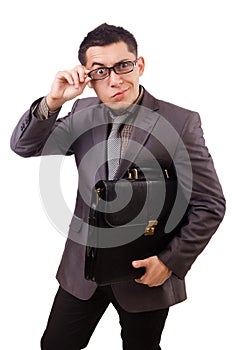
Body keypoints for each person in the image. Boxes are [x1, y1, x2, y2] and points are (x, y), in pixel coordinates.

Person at [10, 23, 225, 350]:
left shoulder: (181, 123)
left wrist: (170, 262)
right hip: (81, 271)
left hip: (145, 272)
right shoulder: (81, 111)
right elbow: (25, 146)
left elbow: (210, 205)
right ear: (87, 76)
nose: (115, 79)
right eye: (100, 71)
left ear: (139, 65)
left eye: (123, 66)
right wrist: (53, 102)